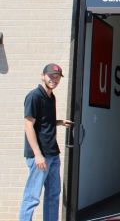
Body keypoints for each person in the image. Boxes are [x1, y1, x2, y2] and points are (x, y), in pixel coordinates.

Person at [19, 63, 73, 221]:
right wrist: (37, 155)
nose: (54, 79)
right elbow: (28, 125)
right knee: (32, 197)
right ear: (43, 76)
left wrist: (60, 122)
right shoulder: (34, 96)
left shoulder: (51, 97)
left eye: (57, 77)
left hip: (53, 154)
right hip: (40, 156)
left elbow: (43, 122)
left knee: (53, 195)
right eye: (51, 76)